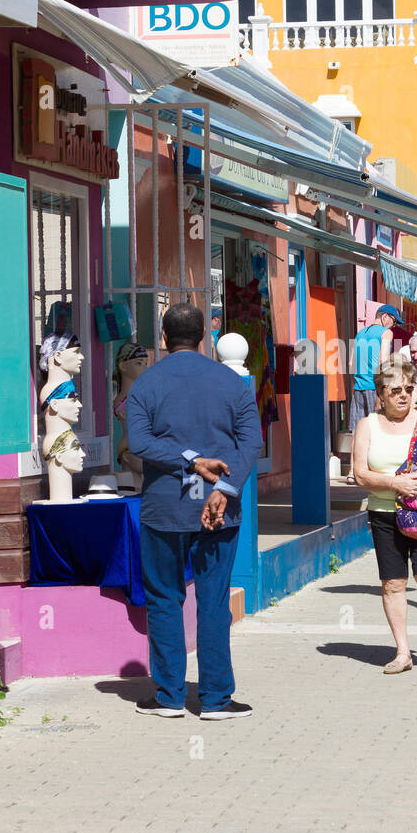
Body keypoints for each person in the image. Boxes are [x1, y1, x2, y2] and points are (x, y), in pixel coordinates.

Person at [126, 303, 262, 719]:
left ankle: (168, 696)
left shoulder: (145, 384)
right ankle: (216, 699)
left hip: (165, 508)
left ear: (164, 338)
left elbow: (139, 442)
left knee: (165, 599)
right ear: (205, 337)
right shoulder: (232, 383)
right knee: (214, 600)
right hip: (218, 510)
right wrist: (222, 485)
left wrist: (189, 460)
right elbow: (251, 442)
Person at [351, 359, 417, 672]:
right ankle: (402, 651)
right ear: (381, 393)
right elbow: (359, 474)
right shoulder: (367, 425)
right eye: (395, 390)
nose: (403, 395)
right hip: (384, 513)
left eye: (408, 389)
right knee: (393, 584)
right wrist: (392, 482)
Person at [346, 305, 405, 482]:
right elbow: (383, 361)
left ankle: (351, 472)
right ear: (386, 317)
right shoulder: (385, 334)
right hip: (375, 387)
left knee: (357, 430)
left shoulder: (359, 334)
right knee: (379, 428)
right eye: (394, 322)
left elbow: (350, 364)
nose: (393, 326)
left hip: (358, 387)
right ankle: (377, 470)